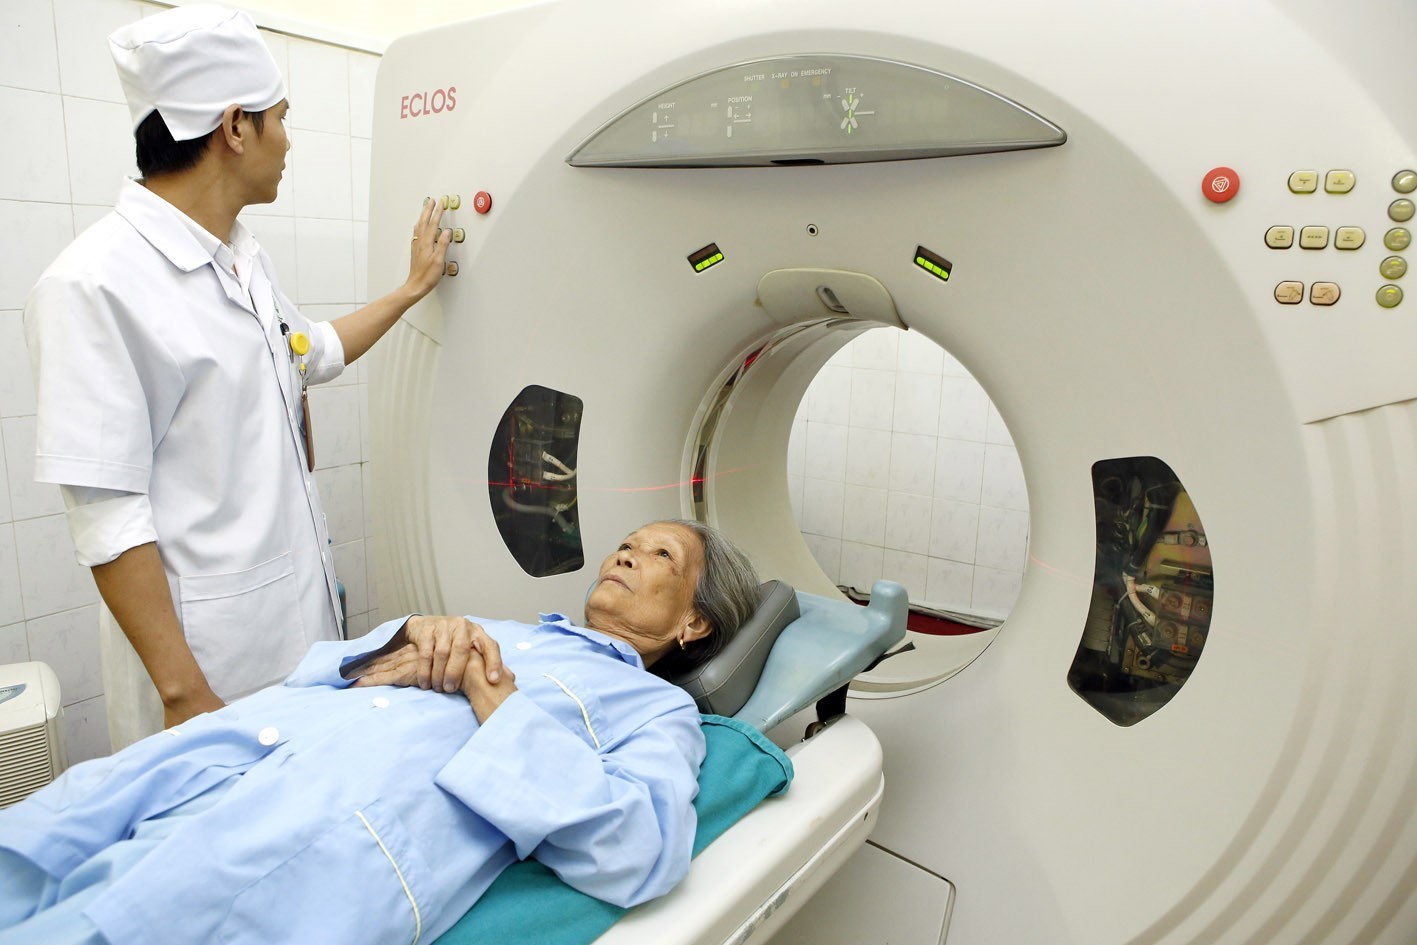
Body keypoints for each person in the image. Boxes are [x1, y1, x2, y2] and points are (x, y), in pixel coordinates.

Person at [0, 520, 764, 945]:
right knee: (37, 851)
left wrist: (491, 696)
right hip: (229, 754)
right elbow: (318, 671)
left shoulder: (655, 709)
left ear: (694, 622)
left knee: (118, 917)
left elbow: (638, 849)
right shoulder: (502, 623)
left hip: (315, 829)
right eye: (628, 540)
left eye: (660, 553)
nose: (626, 551)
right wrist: (406, 637)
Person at [22, 4, 454, 749]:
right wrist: (184, 693)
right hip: (209, 672)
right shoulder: (94, 285)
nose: (288, 139)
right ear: (234, 128)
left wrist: (411, 290)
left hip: (296, 637)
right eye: (280, 118)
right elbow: (106, 515)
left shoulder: (242, 260)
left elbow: (309, 352)